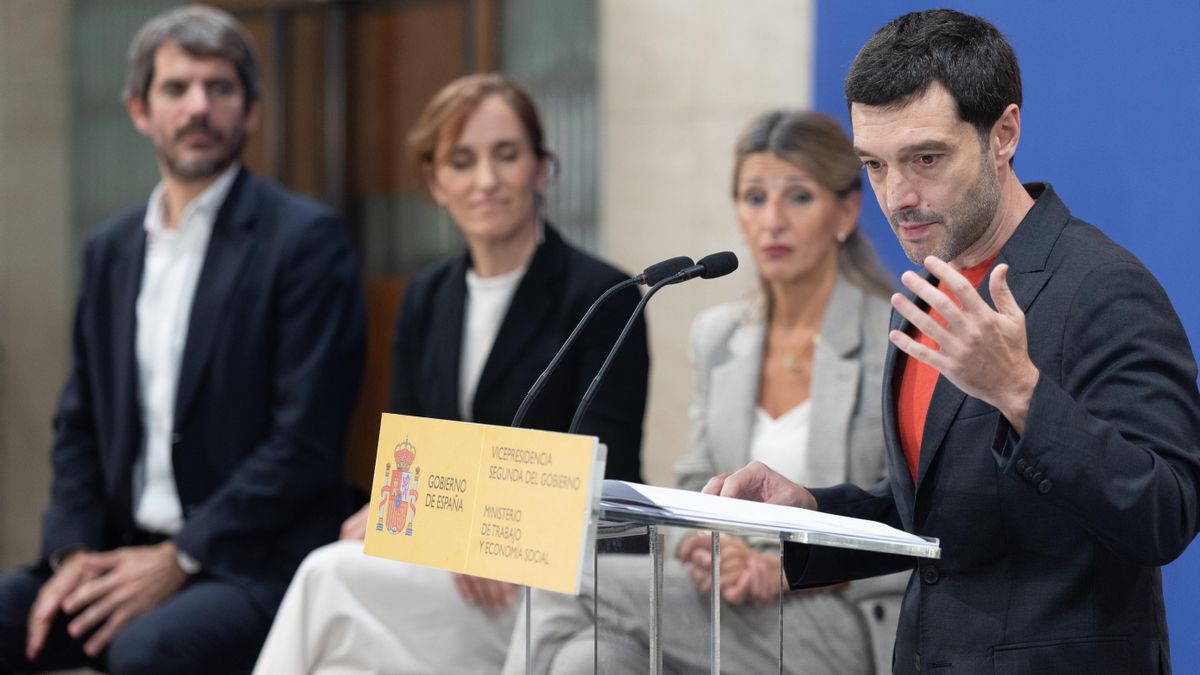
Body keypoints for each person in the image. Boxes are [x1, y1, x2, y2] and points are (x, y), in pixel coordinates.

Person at [708, 9, 1200, 675]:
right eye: (875, 165)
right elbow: (945, 513)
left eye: (926, 159)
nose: (897, 196)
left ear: (1004, 134)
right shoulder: (930, 289)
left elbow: (1166, 511)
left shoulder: (1102, 285)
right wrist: (815, 511)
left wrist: (1020, 393)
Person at [0, 6, 366, 675]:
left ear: (251, 111)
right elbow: (79, 422)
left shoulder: (305, 242)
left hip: (250, 561)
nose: (199, 106)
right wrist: (73, 552)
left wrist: (179, 556)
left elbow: (304, 444)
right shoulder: (110, 250)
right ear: (140, 110)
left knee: (148, 652)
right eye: (176, 88)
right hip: (120, 549)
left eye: (219, 88)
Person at [251, 73, 650, 675]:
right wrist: (399, 517)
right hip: (449, 565)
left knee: (325, 576)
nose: (486, 180)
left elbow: (607, 471)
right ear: (437, 182)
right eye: (462, 162)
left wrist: (477, 533)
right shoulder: (427, 296)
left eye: (506, 155)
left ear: (541, 169)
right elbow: (410, 453)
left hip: (553, 582)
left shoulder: (604, 296)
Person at [502, 110, 904, 675]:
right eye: (755, 198)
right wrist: (700, 547)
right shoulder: (718, 337)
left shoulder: (894, 338)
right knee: (589, 659)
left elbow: (906, 512)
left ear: (846, 210)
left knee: (562, 577)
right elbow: (695, 482)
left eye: (798, 198)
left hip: (841, 610)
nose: (773, 221)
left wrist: (782, 569)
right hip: (725, 598)